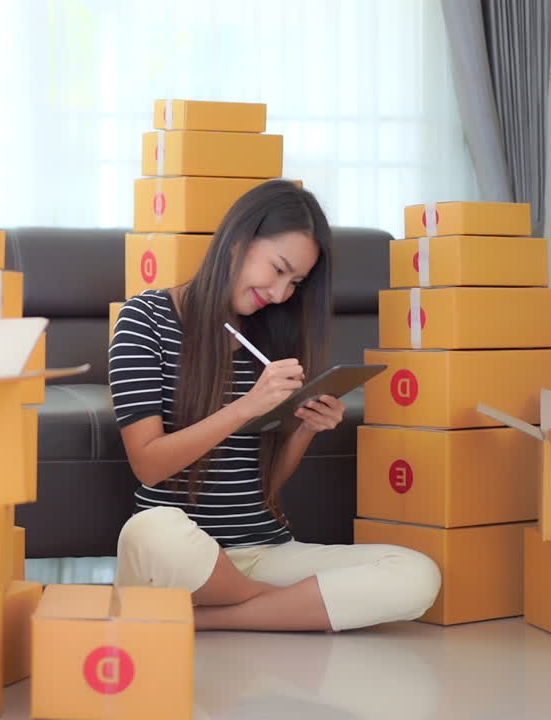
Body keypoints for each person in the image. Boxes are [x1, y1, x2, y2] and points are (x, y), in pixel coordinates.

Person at [109, 179, 441, 632]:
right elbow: (148, 465)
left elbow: (266, 484)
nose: (283, 293)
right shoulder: (144, 319)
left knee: (417, 575)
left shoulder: (274, 335)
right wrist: (245, 407)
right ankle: (285, 607)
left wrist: (304, 428)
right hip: (180, 552)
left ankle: (200, 618)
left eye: (296, 282)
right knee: (153, 532)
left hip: (263, 552)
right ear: (238, 242)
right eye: (278, 269)